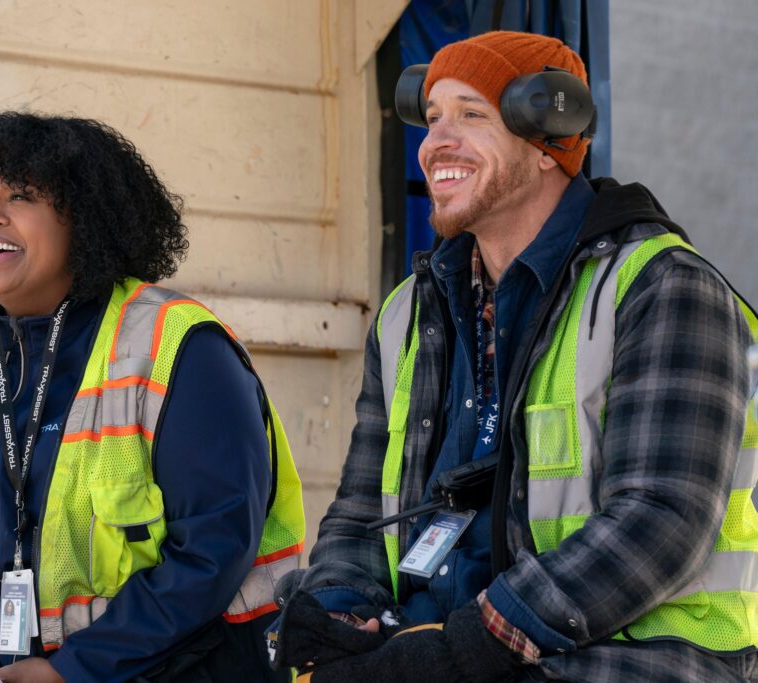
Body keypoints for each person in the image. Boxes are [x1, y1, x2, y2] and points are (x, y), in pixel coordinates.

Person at [270, 31, 758, 683]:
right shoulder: (407, 313)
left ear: (548, 140)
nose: (436, 143)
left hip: (632, 659)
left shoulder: (662, 287)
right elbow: (361, 508)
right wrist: (333, 613)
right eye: (434, 117)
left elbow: (661, 522)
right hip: (451, 651)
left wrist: (463, 649)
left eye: (472, 116)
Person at [0, 112, 305, 683]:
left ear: (86, 218)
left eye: (20, 195)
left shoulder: (178, 344)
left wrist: (70, 671)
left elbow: (213, 549)